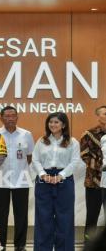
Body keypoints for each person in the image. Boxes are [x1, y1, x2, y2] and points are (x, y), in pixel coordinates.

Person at [32, 112, 80, 251]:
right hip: (44, 180)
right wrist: (43, 175)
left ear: (64, 125)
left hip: (64, 179)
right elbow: (35, 160)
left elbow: (75, 161)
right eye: (50, 122)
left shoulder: (72, 141)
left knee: (64, 218)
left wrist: (61, 175)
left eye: (56, 122)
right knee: (43, 218)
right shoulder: (42, 140)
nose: (53, 125)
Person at [0, 106, 34, 251]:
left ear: (17, 118)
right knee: (0, 216)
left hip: (21, 180)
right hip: (0, 180)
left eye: (13, 116)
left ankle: (20, 245)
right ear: (1, 118)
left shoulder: (26, 134)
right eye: (7, 116)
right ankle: (0, 245)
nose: (10, 118)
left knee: (21, 216)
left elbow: (29, 156)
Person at [80, 106, 106, 241]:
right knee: (92, 215)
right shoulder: (88, 134)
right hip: (94, 181)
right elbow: (85, 156)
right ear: (98, 116)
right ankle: (88, 243)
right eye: (105, 113)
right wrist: (102, 166)